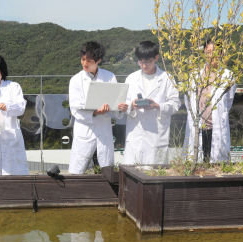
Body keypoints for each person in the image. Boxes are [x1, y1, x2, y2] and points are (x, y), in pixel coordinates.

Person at [68, 41, 128, 174]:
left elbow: (115, 104)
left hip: (103, 128)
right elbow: (75, 109)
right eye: (83, 59)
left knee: (107, 169)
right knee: (77, 171)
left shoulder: (109, 76)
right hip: (84, 130)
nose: (85, 63)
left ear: (98, 60)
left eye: (89, 60)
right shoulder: (76, 80)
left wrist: (120, 108)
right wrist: (95, 112)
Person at [123, 41, 180, 165]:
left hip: (157, 134)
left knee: (154, 174)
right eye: (141, 62)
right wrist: (132, 105)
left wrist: (157, 105)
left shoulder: (167, 78)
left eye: (148, 62)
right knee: (132, 170)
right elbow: (124, 103)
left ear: (156, 58)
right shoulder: (131, 78)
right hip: (136, 133)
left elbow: (175, 104)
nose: (144, 66)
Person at [183, 39, 236, 163]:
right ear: (204, 53)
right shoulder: (194, 75)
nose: (212, 55)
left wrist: (219, 115)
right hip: (198, 127)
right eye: (208, 52)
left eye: (216, 52)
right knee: (197, 162)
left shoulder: (228, 76)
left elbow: (228, 101)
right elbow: (188, 101)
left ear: (221, 54)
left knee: (216, 165)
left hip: (216, 126)